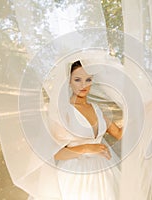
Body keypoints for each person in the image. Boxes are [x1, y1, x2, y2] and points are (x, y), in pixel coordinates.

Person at [52, 60, 122, 200]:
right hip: (75, 174)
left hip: (104, 170)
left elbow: (119, 134)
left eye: (88, 79)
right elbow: (56, 153)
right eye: (78, 79)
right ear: (69, 81)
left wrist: (143, 113)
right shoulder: (63, 111)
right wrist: (87, 148)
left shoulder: (96, 108)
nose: (83, 85)